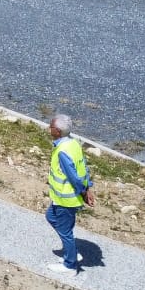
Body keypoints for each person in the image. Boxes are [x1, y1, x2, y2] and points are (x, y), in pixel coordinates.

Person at [45, 114, 94, 274]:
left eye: (51, 126)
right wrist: (89, 187)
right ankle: (71, 252)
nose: (49, 128)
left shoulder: (62, 152)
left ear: (57, 131)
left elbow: (74, 176)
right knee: (50, 217)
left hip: (66, 199)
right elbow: (83, 167)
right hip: (64, 198)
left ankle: (70, 265)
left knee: (65, 231)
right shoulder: (73, 143)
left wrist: (85, 191)